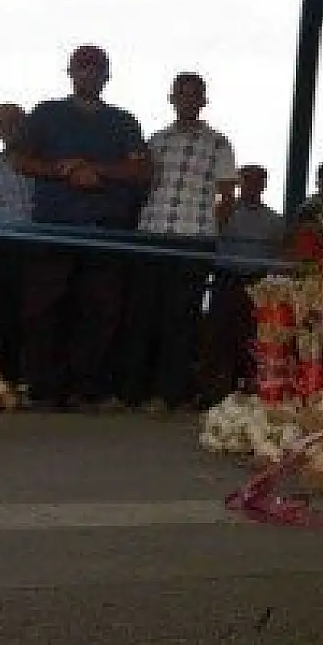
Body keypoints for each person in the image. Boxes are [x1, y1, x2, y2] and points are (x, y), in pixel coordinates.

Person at [9, 45, 151, 409]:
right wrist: (64, 170)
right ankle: (44, 390)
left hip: (106, 231)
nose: (90, 74)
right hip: (53, 228)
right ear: (70, 71)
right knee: (44, 308)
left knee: (101, 310)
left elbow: (139, 172)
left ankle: (88, 389)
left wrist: (93, 169)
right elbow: (19, 159)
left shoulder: (124, 121)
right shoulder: (46, 113)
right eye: (83, 67)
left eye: (97, 68)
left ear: (108, 74)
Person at [117, 72, 237, 412]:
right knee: (141, 316)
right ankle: (132, 392)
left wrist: (213, 231)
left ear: (203, 100)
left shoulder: (219, 143)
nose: (187, 99)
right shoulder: (155, 141)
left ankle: (169, 394)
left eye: (194, 94)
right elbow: (140, 184)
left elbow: (227, 196)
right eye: (181, 93)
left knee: (180, 319)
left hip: (194, 240)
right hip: (151, 236)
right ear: (171, 98)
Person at [206, 165, 286, 400]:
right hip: (226, 279)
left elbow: (279, 254)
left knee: (254, 338)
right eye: (248, 180)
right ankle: (214, 393)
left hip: (257, 284)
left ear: (265, 184)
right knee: (219, 337)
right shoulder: (221, 214)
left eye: (258, 180)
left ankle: (253, 391)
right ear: (240, 183)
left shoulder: (275, 221)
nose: (253, 185)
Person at [0, 102, 34, 382]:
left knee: (34, 318)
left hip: (42, 250)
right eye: (2, 124)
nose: (9, 129)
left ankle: (29, 382)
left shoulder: (44, 163)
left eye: (15, 122)